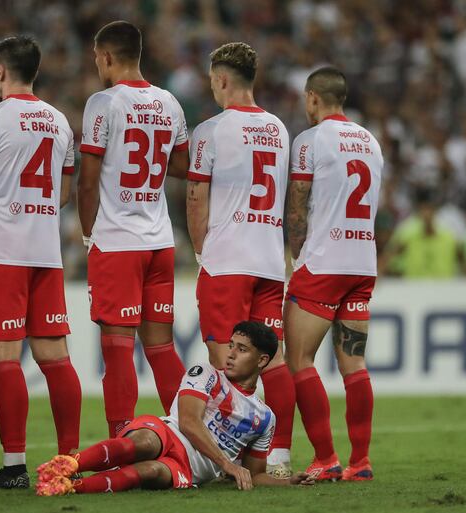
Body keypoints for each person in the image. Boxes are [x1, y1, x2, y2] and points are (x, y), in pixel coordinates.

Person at [0, 35, 82, 489]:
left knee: (2, 354)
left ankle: (14, 466)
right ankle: (71, 458)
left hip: (2, 250)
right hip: (44, 252)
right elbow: (65, 193)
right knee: (54, 356)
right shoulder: (60, 121)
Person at [36, 321, 316, 495]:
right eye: (231, 345)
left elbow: (254, 474)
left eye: (242, 349)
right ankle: (69, 464)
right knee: (144, 442)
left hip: (190, 469)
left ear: (262, 360)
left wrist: (288, 482)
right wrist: (226, 465)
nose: (230, 353)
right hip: (169, 434)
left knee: (151, 473)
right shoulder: (205, 373)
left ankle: (72, 487)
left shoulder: (265, 418)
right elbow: (189, 422)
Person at [186, 42, 295, 477]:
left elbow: (197, 198)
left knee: (226, 359)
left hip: (228, 259)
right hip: (269, 258)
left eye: (213, 80)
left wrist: (199, 251)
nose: (212, 87)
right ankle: (280, 458)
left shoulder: (212, 130)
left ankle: (226, 458)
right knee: (275, 358)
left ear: (224, 79)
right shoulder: (279, 128)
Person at [78, 21, 188, 437]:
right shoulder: (169, 102)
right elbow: (180, 165)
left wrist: (89, 234)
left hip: (118, 241)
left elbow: (87, 181)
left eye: (96, 57)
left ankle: (120, 439)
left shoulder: (103, 103)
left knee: (118, 347)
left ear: (106, 56)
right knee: (160, 346)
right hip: (159, 240)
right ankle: (188, 434)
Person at [284, 67, 383, 482]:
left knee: (298, 359)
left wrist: (295, 256)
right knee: (354, 364)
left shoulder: (311, 140)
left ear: (312, 98)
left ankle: (325, 457)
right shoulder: (372, 142)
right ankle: (360, 462)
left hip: (323, 263)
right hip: (361, 263)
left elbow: (296, 207)